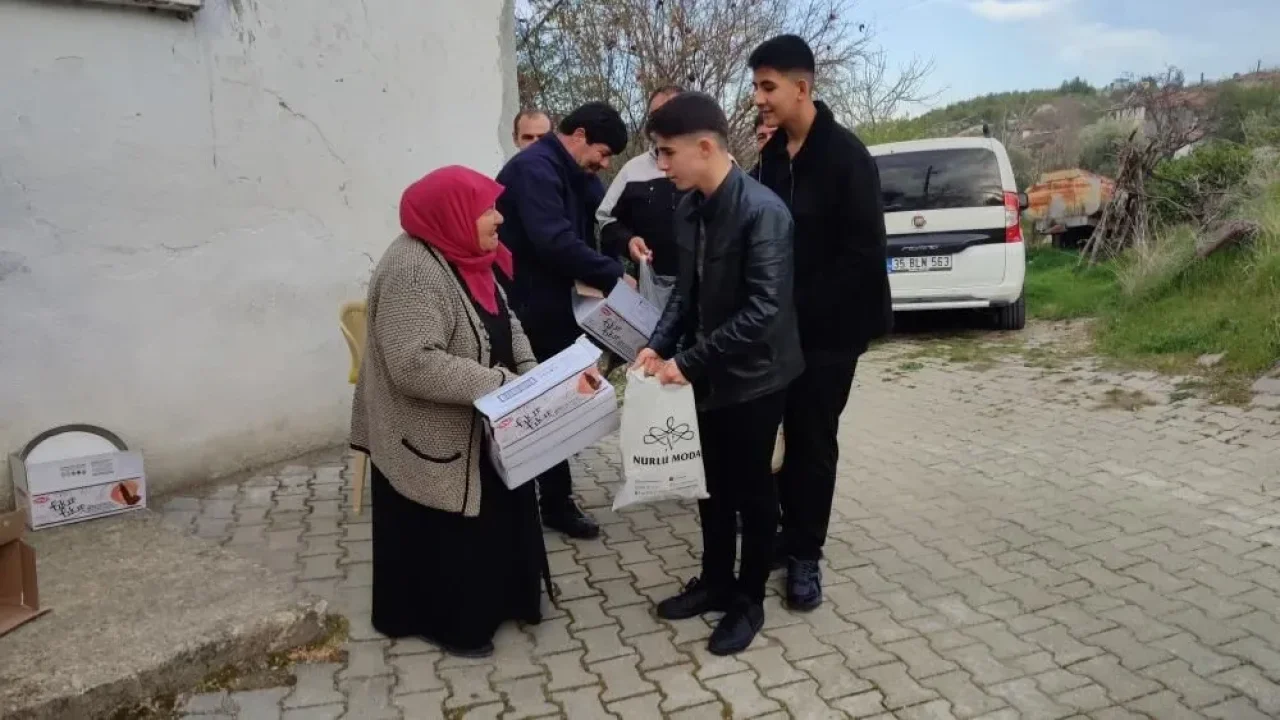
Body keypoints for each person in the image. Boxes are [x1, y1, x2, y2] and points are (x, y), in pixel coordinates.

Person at [350, 166, 558, 658]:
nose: (499, 218)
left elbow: (506, 323)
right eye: (488, 208)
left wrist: (532, 375)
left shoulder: (469, 254)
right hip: (427, 433)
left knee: (498, 517)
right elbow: (414, 364)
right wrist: (504, 386)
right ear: (454, 213)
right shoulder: (411, 269)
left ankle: (506, 601)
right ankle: (446, 623)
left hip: (485, 422)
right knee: (448, 534)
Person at [634, 92, 804, 656]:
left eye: (666, 153)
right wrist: (655, 349)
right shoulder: (688, 208)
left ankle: (747, 599)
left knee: (751, 492)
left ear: (704, 147)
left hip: (756, 378)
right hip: (705, 374)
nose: (662, 164)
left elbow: (764, 312)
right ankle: (714, 581)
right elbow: (685, 294)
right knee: (706, 485)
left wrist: (687, 360)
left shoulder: (764, 212)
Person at [750, 35, 892, 611]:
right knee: (778, 434)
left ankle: (806, 553)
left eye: (768, 87)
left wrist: (797, 308)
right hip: (778, 330)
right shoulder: (772, 155)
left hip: (830, 332)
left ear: (802, 87)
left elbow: (862, 256)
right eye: (756, 86)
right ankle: (786, 530)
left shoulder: (846, 157)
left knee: (812, 438)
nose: (758, 98)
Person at [496, 101, 632, 540]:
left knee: (555, 405)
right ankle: (537, 502)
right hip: (524, 307)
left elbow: (607, 213)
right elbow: (553, 241)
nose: (604, 163)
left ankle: (552, 499)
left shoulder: (576, 172)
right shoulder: (535, 170)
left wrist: (628, 242)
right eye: (604, 152)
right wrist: (613, 276)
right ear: (579, 137)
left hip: (553, 304)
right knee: (535, 404)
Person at [597, 85, 685, 279]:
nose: (657, 121)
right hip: (654, 287)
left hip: (709, 291)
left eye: (666, 112)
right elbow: (606, 220)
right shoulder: (633, 170)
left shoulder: (716, 164)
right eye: (653, 115)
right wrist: (628, 242)